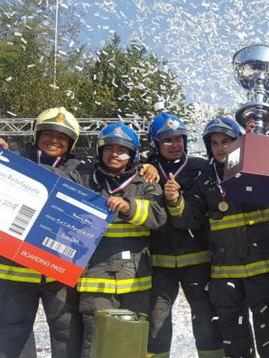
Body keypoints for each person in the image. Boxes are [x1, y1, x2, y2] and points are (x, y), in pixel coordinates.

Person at [169, 116, 269, 358]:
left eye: (227, 141)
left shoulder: (254, 166)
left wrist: (255, 143)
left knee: (268, 331)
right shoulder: (205, 179)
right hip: (224, 271)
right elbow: (189, 219)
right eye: (215, 143)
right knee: (234, 335)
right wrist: (175, 201)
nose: (220, 148)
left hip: (262, 267)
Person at [0, 107, 84, 358]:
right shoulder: (11, 158)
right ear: (36, 135)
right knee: (11, 339)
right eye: (48, 133)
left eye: (62, 136)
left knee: (68, 338)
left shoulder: (84, 171)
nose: (54, 140)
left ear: (71, 143)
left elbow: (115, 175)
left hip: (58, 274)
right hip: (13, 271)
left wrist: (145, 167)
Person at [70, 121, 167, 358]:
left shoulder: (146, 183)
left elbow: (158, 216)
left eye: (122, 150)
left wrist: (129, 207)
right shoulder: (83, 179)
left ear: (132, 155)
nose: (114, 154)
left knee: (132, 343)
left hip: (135, 283)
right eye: (108, 148)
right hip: (95, 283)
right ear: (99, 151)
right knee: (96, 343)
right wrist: (4, 152)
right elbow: (49, 176)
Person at [145, 112, 224, 358]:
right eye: (167, 140)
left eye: (179, 138)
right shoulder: (146, 171)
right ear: (154, 144)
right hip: (159, 263)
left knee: (206, 318)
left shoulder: (201, 167)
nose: (175, 144)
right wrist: (142, 164)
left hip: (198, 260)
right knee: (156, 322)